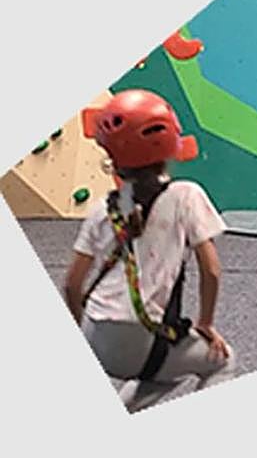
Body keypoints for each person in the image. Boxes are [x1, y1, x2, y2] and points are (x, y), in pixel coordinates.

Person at [62, 89, 235, 413]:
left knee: (169, 363)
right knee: (220, 361)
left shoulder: (102, 209)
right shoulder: (187, 195)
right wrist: (206, 323)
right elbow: (211, 270)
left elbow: (72, 285)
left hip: (97, 336)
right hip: (142, 337)